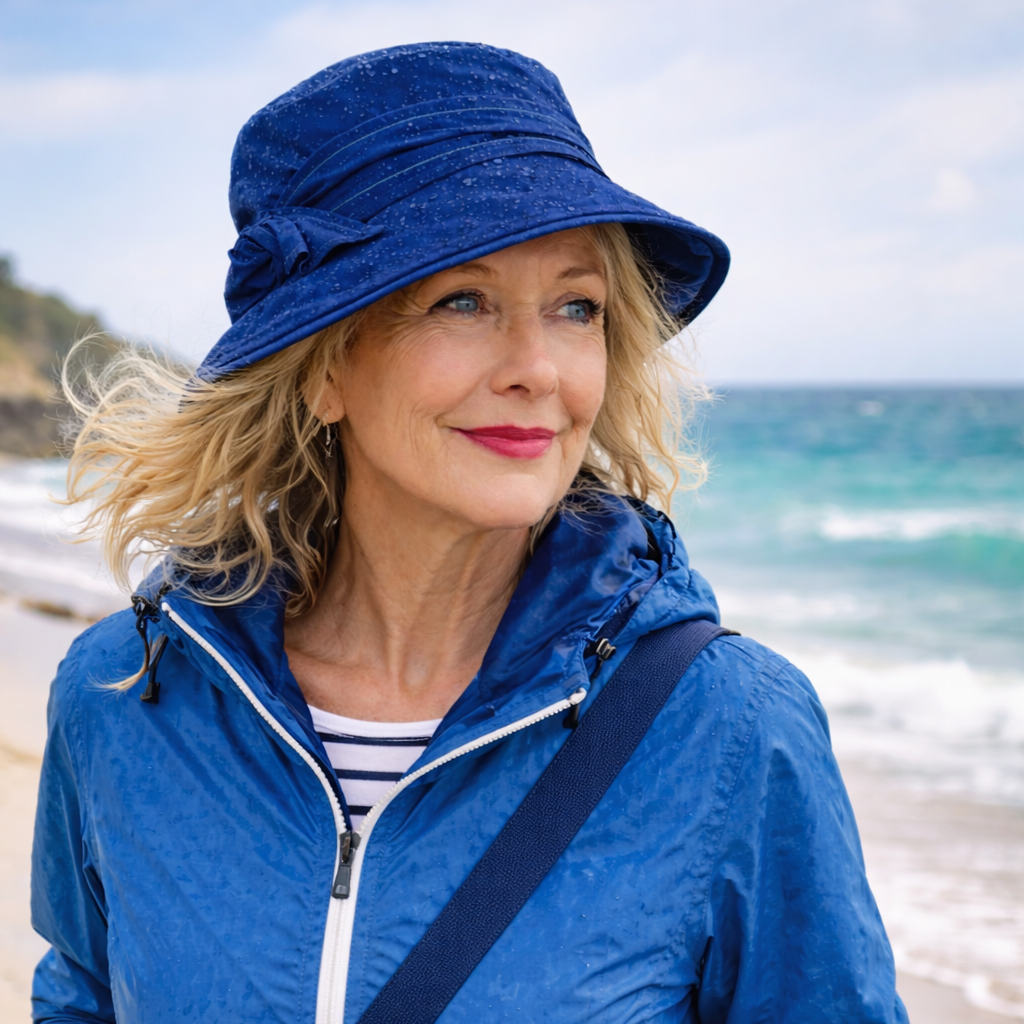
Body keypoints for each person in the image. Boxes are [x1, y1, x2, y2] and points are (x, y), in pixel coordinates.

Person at [31, 42, 907, 1023]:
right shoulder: (126, 698)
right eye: (463, 300)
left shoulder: (731, 727)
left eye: (577, 307)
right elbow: (82, 996)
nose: (538, 366)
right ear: (325, 367)